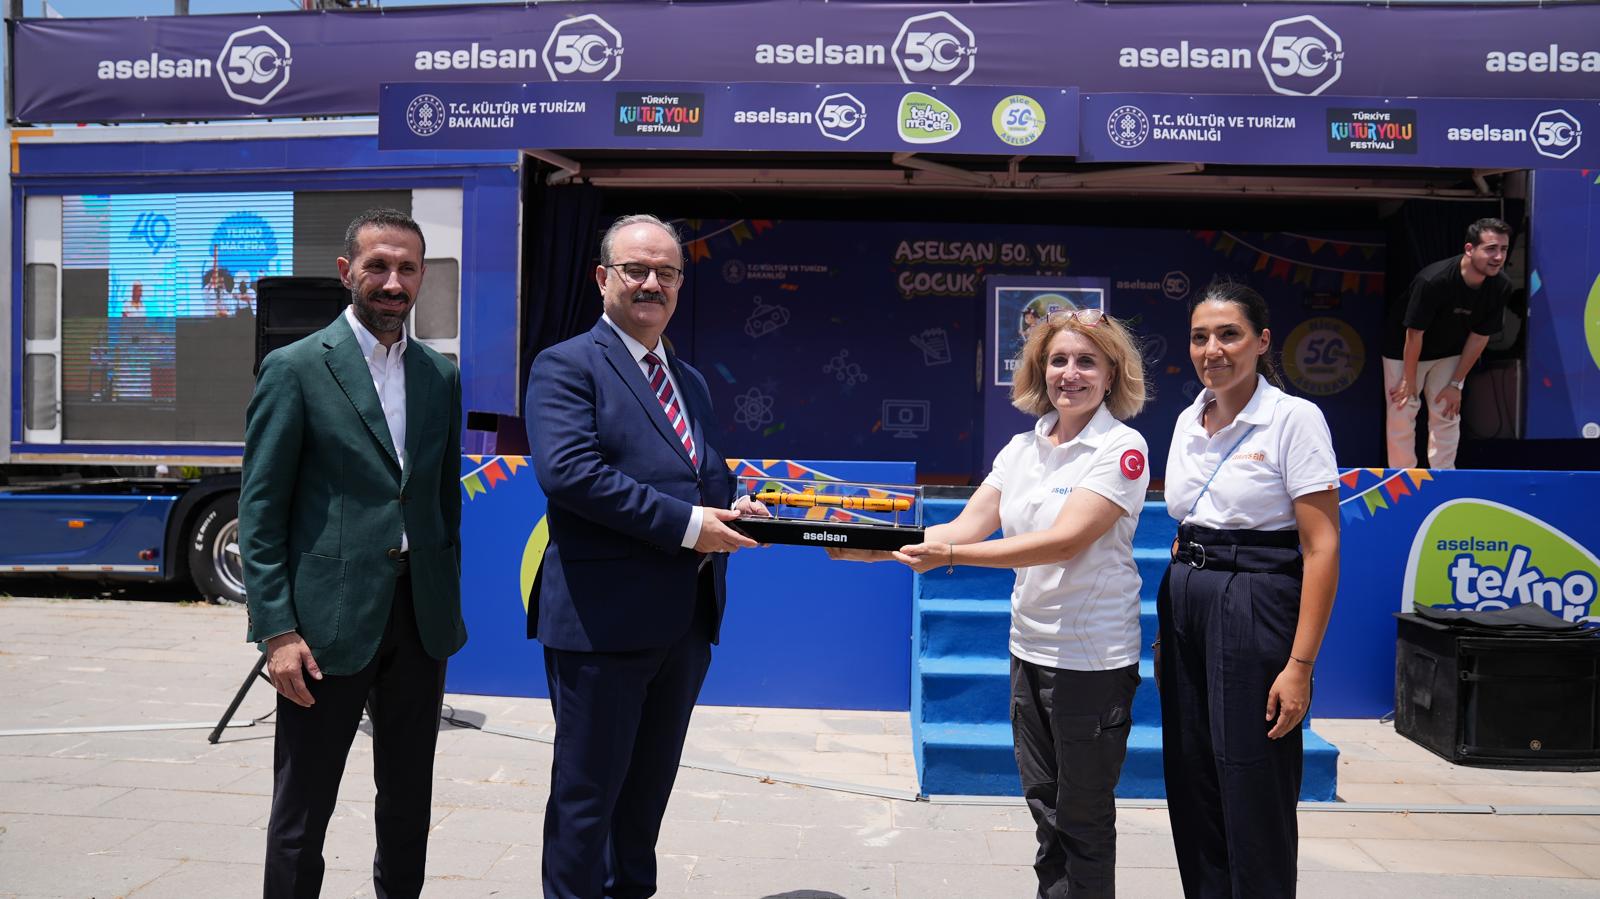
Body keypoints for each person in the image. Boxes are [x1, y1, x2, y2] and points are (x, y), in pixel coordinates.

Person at [842, 307, 1151, 898]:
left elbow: (1064, 542)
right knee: (1045, 809)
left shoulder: (1120, 447)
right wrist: (872, 548)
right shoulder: (1020, 449)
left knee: (1082, 819)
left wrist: (951, 555)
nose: (1070, 373)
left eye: (1087, 362)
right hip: (1028, 649)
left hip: (1090, 661)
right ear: (1039, 369)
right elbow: (963, 526)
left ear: (1112, 374)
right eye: (1058, 360)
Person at [525, 214, 766, 899]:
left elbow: (700, 476)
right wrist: (691, 526)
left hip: (684, 622)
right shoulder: (567, 365)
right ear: (603, 278)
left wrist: (737, 505)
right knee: (586, 800)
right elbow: (571, 475)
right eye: (636, 269)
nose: (652, 283)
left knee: (645, 800)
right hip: (601, 625)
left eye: (666, 271)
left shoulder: (688, 378)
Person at [241, 208, 465, 899]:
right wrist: (277, 630)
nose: (393, 282)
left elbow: (441, 502)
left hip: (418, 620)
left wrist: (444, 604)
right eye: (378, 266)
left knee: (409, 803)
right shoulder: (295, 368)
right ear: (347, 272)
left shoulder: (440, 375)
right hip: (323, 628)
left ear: (422, 276)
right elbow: (261, 512)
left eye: (407, 268)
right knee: (303, 810)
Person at [1159, 279, 1340, 898]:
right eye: (1199, 337)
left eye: (1229, 334)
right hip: (1187, 596)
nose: (1212, 349)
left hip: (1256, 598)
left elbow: (1321, 547)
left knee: (1252, 777)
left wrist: (1300, 666)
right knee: (1192, 774)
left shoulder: (1294, 419)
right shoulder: (1187, 420)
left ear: (1261, 342)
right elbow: (1185, 521)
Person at [1381, 217, 1513, 469]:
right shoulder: (1434, 280)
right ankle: (1402, 476)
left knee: (1447, 410)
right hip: (1404, 350)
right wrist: (1409, 378)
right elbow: (1414, 333)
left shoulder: (1500, 285)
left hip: (1450, 351)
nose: (1498, 257)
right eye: (1490, 249)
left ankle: (1444, 477)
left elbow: (1479, 336)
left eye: (1503, 249)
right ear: (1469, 249)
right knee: (1403, 409)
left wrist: (1456, 383)